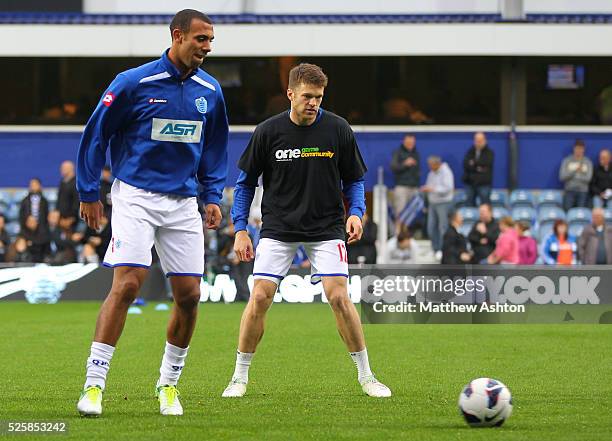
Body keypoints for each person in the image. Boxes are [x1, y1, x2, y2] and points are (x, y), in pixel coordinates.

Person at [75, 9, 228, 417]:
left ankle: (168, 386)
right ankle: (93, 385)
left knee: (191, 296)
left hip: (183, 203)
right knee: (127, 286)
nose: (207, 47)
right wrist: (89, 191)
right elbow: (96, 133)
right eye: (201, 39)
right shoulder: (132, 83)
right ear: (177, 36)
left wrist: (212, 195)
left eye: (211, 40)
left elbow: (213, 148)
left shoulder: (210, 91)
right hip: (135, 196)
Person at [223, 63, 391, 399]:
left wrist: (356, 212)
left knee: (339, 297)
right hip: (278, 227)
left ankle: (367, 375)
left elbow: (354, 179)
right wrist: (240, 229)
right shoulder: (268, 132)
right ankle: (239, 377)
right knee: (259, 297)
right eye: (307, 96)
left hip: (327, 227)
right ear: (290, 94)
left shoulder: (338, 129)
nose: (313, 103)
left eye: (318, 97)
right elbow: (244, 184)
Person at [421, 155, 454, 260]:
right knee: (431, 227)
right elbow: (428, 185)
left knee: (442, 227)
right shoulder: (431, 173)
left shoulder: (446, 172)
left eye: (431, 165)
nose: (430, 167)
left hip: (443, 203)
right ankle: (434, 248)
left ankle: (442, 249)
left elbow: (448, 188)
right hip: (432, 203)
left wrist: (432, 189)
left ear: (437, 163)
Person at [390, 134, 420, 228]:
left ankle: (409, 235)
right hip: (401, 187)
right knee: (400, 212)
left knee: (413, 213)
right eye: (409, 142)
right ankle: (399, 234)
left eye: (412, 143)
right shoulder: (398, 152)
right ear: (404, 142)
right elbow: (393, 167)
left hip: (414, 187)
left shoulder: (416, 153)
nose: (411, 144)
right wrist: (405, 164)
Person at [19, 178, 50, 262]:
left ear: (40, 186)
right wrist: (28, 223)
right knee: (21, 243)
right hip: (27, 231)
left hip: (41, 231)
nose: (33, 187)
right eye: (31, 185)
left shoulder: (44, 201)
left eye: (35, 184)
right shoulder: (24, 201)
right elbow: (21, 218)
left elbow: (46, 218)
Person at [559, 140, 593, 211]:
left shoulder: (587, 162)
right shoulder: (567, 161)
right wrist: (575, 171)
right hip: (569, 191)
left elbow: (588, 178)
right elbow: (562, 176)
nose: (579, 151)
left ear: (584, 150)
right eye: (577, 148)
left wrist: (576, 176)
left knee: (580, 213)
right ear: (574, 149)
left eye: (581, 149)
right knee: (567, 212)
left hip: (583, 192)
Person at [462, 132, 494, 207]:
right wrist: (478, 167)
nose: (478, 143)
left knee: (485, 205)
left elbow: (486, 164)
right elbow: (466, 164)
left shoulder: (489, 153)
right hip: (470, 183)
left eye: (480, 141)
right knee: (469, 205)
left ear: (485, 141)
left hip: (484, 184)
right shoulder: (470, 151)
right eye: (477, 140)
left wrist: (474, 164)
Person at [57, 160, 80, 229]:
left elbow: (77, 201)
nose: (61, 170)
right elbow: (59, 200)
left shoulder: (76, 183)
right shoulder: (62, 183)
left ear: (71, 169)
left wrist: (71, 219)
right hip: (61, 219)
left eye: (64, 168)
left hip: (72, 219)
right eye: (61, 168)